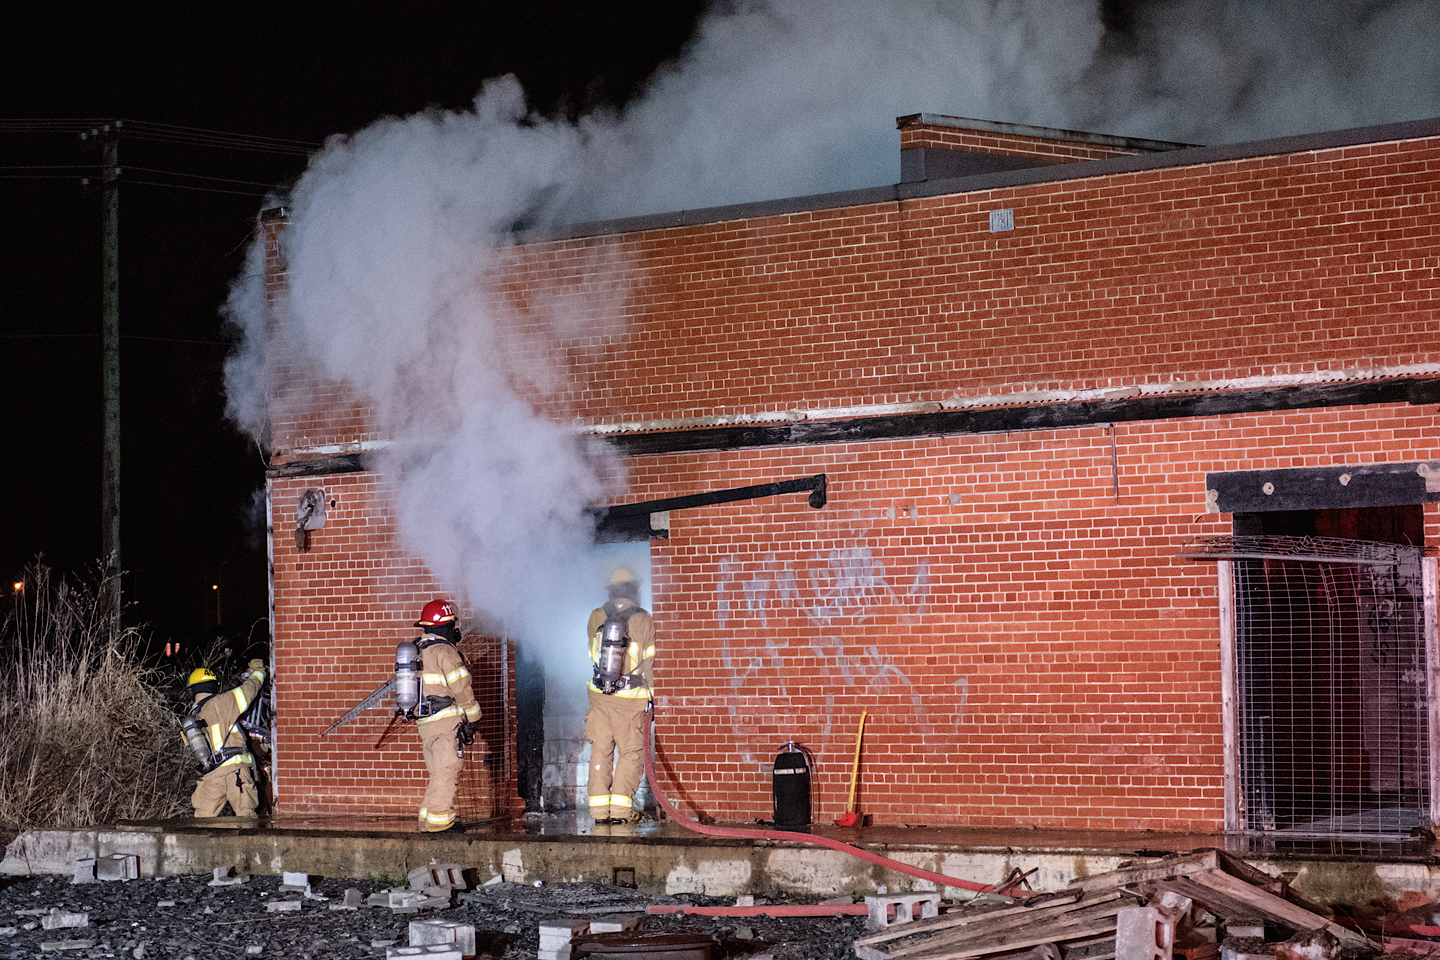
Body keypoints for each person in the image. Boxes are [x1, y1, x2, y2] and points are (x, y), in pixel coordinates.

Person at [584, 567, 656, 824]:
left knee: (600, 752)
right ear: (634, 589)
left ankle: (599, 813)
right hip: (630, 699)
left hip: (599, 695)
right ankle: (621, 813)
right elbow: (650, 665)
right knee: (630, 754)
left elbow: (592, 654)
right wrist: (654, 698)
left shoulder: (595, 616)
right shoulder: (644, 620)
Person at [412, 598, 482, 833]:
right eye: (454, 624)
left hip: (425, 724)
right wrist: (473, 719)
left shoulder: (419, 651)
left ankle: (427, 820)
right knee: (448, 771)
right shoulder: (445, 652)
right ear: (447, 626)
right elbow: (462, 688)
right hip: (445, 723)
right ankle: (441, 824)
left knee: (437, 773)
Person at [187, 659, 267, 818]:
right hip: (235, 772)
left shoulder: (194, 716)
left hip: (212, 775)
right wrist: (258, 673)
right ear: (213, 686)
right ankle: (249, 844)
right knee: (246, 819)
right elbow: (249, 690)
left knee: (202, 822)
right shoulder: (221, 702)